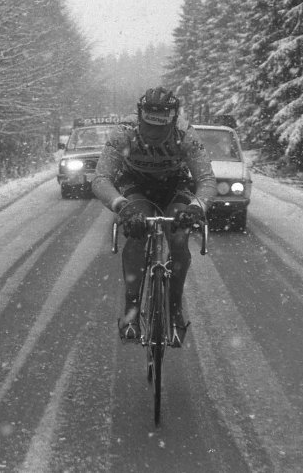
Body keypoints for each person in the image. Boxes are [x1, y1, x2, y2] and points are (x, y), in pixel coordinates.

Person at [92, 87, 217, 346]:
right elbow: (101, 178)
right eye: (149, 127)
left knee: (179, 238)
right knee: (137, 232)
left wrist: (196, 207)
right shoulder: (124, 133)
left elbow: (205, 179)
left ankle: (175, 308)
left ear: (172, 120)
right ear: (140, 117)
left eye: (161, 129)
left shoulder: (186, 134)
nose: (154, 135)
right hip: (136, 185)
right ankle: (132, 311)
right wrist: (122, 207)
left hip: (174, 185)